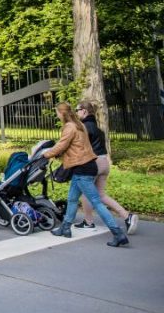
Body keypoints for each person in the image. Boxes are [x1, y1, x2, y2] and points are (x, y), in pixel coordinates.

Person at [42, 102, 129, 247]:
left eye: (57, 112)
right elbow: (76, 146)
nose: (57, 115)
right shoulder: (79, 125)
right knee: (72, 198)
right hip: (84, 166)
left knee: (96, 202)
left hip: (82, 169)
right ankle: (65, 227)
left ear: (62, 113)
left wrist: (46, 154)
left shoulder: (70, 127)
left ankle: (118, 233)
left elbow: (62, 145)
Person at [75, 101, 138, 233]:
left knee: (86, 193)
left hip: (94, 163)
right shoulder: (98, 129)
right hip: (104, 162)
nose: (76, 113)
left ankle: (88, 221)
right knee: (101, 195)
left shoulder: (84, 127)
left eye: (78, 110)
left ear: (85, 111)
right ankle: (127, 216)